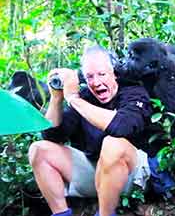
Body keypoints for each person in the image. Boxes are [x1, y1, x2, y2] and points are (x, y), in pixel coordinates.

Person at [27, 45, 155, 216]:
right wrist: (57, 98)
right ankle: (61, 213)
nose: (96, 82)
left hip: (133, 176)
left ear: (114, 73)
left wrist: (73, 99)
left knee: (112, 143)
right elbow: (51, 136)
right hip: (95, 175)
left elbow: (121, 127)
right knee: (38, 149)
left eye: (102, 74)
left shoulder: (133, 92)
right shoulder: (85, 98)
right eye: (89, 77)